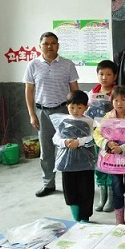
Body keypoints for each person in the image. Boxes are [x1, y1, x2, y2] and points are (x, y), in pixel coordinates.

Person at [24, 32, 79, 197]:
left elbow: (74, 89)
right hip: (43, 113)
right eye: (46, 43)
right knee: (46, 151)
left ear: (58, 46)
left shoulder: (67, 64)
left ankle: (70, 184)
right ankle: (48, 184)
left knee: (68, 147)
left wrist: (76, 114)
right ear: (40, 46)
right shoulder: (33, 65)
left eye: (53, 43)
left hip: (64, 111)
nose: (49, 46)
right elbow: (29, 91)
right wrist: (32, 114)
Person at [93, 86, 125, 226]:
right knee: (116, 190)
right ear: (112, 101)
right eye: (116, 100)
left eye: (123, 100)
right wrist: (107, 143)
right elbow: (97, 134)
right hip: (113, 161)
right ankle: (119, 221)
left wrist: (123, 148)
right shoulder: (107, 117)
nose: (119, 103)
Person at [52, 90, 97, 222]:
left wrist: (79, 142)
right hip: (67, 163)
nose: (75, 110)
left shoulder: (89, 121)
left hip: (85, 163)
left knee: (86, 190)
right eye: (72, 107)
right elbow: (55, 138)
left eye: (79, 107)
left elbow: (94, 138)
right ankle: (76, 216)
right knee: (70, 190)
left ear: (86, 107)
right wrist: (65, 142)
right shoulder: (63, 121)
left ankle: (85, 218)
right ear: (67, 106)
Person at [87, 60, 117, 213]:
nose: (104, 77)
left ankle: (111, 197)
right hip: (97, 136)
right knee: (98, 164)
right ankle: (102, 196)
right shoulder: (92, 93)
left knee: (110, 164)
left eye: (108, 74)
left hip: (113, 136)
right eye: (101, 74)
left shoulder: (117, 92)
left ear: (115, 76)